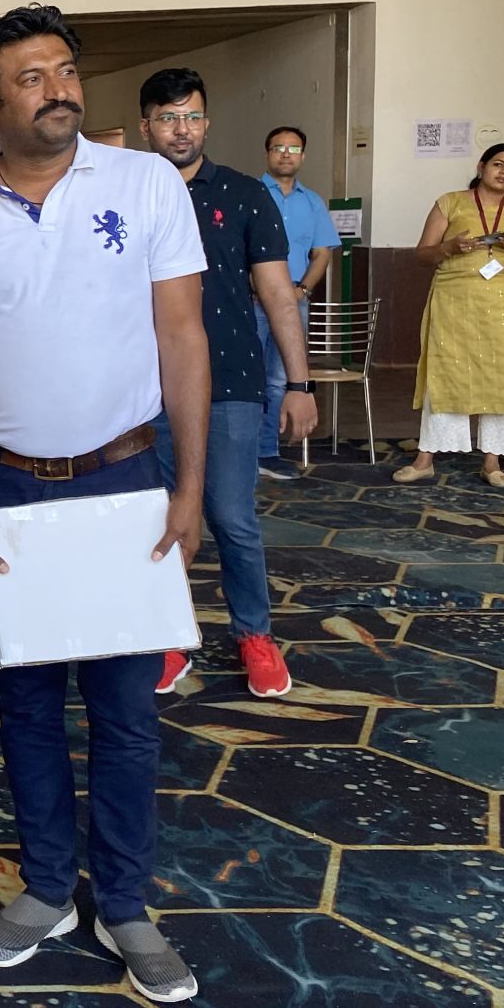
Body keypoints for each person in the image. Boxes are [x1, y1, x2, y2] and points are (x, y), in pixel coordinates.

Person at [0, 3, 210, 1004]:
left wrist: (189, 486)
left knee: (123, 710)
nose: (56, 88)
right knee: (26, 703)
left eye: (64, 69)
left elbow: (179, 338)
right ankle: (45, 889)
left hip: (122, 480)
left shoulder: (143, 183)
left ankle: (122, 902)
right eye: (30, 77)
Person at [136, 70, 317, 699]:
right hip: (140, 387)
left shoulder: (243, 195)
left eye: (191, 117)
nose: (180, 129)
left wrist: (300, 382)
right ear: (146, 126)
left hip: (230, 380)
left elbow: (277, 294)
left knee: (232, 518)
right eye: (166, 117)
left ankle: (254, 636)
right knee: (153, 522)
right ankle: (165, 638)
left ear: (206, 124)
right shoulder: (123, 195)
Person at [396, 142, 504, 487]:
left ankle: (493, 462)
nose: (503, 172)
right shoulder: (450, 201)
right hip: (455, 301)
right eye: (498, 164)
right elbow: (422, 254)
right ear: (481, 166)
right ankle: (425, 459)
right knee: (446, 372)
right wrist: (450, 247)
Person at [256, 125, 341, 479]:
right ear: (268, 154)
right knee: (243, 376)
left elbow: (322, 253)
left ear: (303, 156)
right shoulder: (251, 194)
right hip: (249, 299)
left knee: (279, 378)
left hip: (294, 300)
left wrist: (301, 291)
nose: (286, 154)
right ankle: (235, 451)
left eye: (293, 149)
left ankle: (266, 452)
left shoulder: (313, 202)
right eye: (279, 148)